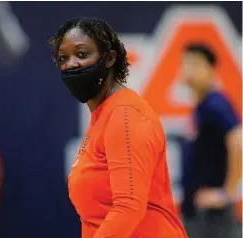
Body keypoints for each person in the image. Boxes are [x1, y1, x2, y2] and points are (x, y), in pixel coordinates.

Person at [49, 18, 187, 238]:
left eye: (82, 54)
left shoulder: (125, 116)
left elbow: (128, 207)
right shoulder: (103, 115)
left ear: (110, 59)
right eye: (63, 58)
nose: (71, 64)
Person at [180, 43, 242, 238]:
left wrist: (226, 193)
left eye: (196, 65)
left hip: (212, 216)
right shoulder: (201, 106)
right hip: (198, 212)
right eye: (186, 64)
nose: (190, 71)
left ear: (211, 69)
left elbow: (238, 140)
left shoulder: (215, 104)